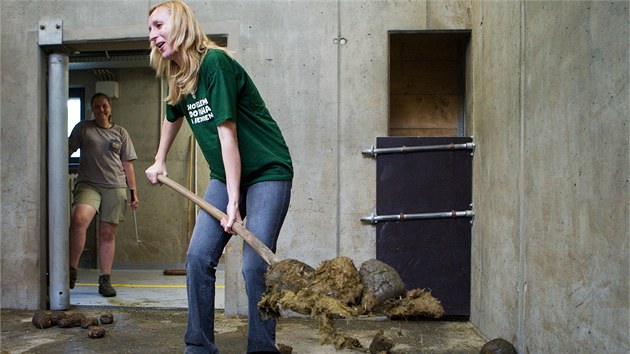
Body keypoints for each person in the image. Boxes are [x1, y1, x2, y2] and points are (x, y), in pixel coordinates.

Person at [146, 1, 293, 353]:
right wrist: (159, 159)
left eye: (158, 26)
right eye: (149, 29)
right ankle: (198, 347)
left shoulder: (215, 63)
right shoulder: (177, 73)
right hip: (226, 176)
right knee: (198, 257)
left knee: (255, 263)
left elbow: (227, 135)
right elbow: (173, 114)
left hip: (267, 172)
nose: (152, 36)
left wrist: (232, 201)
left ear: (180, 24)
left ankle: (261, 347)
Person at [68, 92, 139, 297]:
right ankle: (71, 271)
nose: (101, 109)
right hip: (88, 183)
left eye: (104, 106)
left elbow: (127, 164)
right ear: (92, 109)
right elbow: (67, 149)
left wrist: (133, 192)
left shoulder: (120, 132)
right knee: (79, 220)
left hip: (114, 186)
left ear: (110, 108)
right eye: (97, 106)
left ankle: (105, 280)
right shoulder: (83, 128)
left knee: (107, 234)